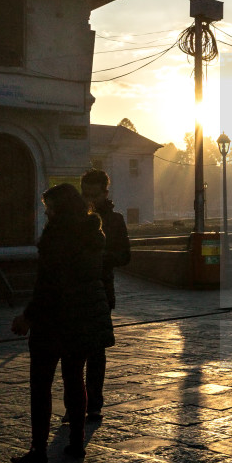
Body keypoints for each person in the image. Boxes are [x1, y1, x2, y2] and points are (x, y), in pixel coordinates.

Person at [10, 184, 114, 463]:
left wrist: (27, 316)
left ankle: (39, 448)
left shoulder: (57, 235)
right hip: (83, 317)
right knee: (74, 379)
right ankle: (77, 443)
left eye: (48, 208)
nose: (46, 213)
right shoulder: (93, 231)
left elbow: (48, 284)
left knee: (41, 384)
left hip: (54, 319)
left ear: (58, 208)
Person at [78, 169, 131, 423]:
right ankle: (75, 404)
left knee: (96, 351)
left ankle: (94, 404)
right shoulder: (73, 217)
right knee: (74, 352)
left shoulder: (116, 220)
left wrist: (100, 258)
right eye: (85, 194)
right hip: (75, 289)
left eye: (94, 195)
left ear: (105, 192)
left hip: (101, 288)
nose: (90, 199)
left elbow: (125, 256)